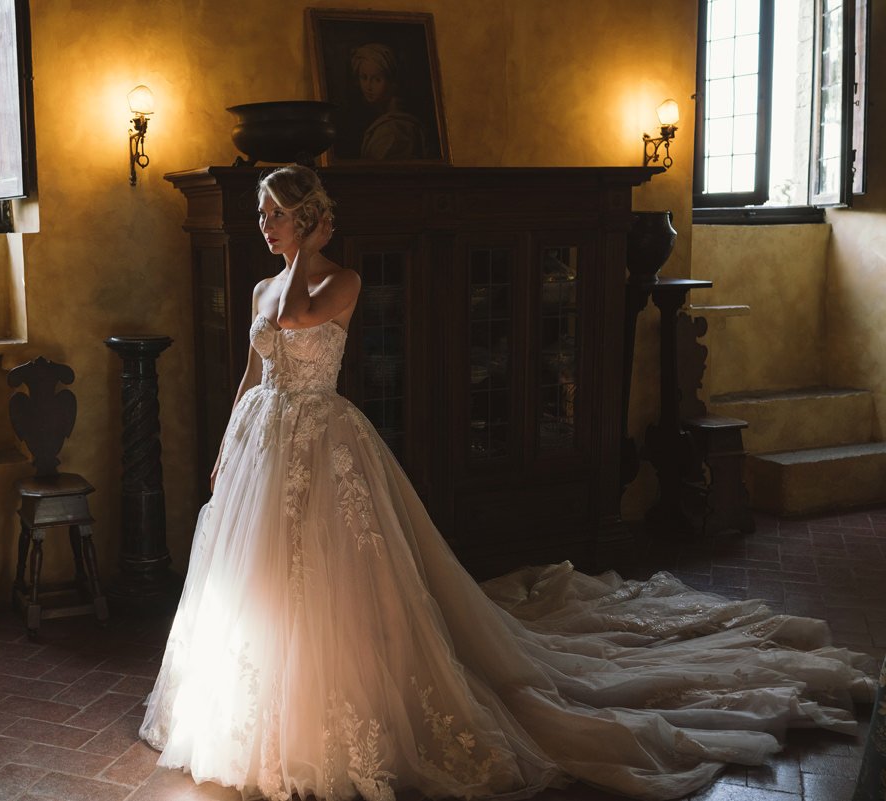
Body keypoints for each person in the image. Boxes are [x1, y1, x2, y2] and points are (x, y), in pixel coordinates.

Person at [139, 165, 872, 801]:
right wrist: (226, 445)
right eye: (261, 215)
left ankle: (325, 716)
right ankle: (257, 710)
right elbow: (252, 370)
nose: (263, 225)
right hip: (262, 442)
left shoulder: (341, 280)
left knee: (330, 577)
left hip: (324, 437)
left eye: (274, 214)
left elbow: (298, 317)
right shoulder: (262, 285)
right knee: (262, 579)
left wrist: (303, 252)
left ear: (304, 221)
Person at [351, 43, 427, 160]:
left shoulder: (394, 130)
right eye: (364, 77)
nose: (368, 86)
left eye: (377, 79)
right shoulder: (381, 119)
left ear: (392, 83)